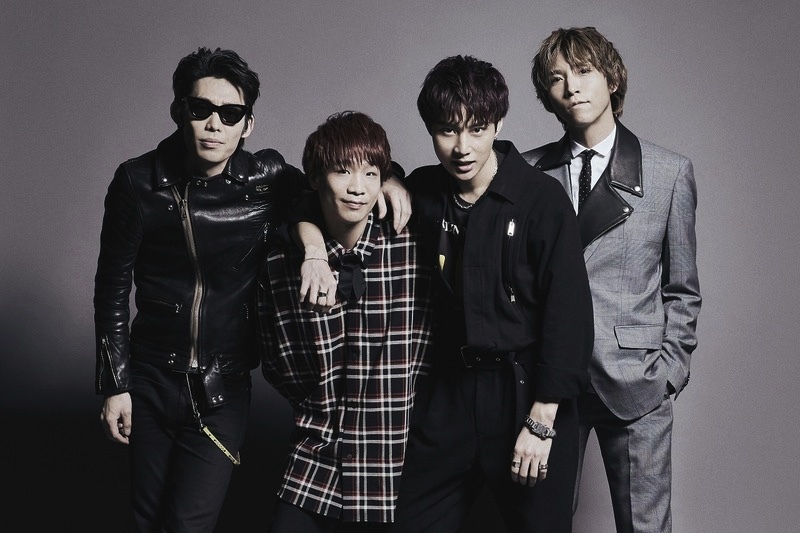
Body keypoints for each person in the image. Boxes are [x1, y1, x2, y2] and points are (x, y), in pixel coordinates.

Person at [94, 48, 409, 532]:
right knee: (146, 518)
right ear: (179, 110)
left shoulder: (267, 178)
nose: (214, 125)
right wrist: (115, 384)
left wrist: (393, 180)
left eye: (230, 113)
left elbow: (334, 185)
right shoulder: (138, 182)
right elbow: (112, 286)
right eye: (201, 109)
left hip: (223, 385)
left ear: (248, 124)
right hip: (150, 377)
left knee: (188, 523)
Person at [390, 55, 594, 532]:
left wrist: (541, 421)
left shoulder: (541, 200)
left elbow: (569, 315)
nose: (462, 147)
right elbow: (326, 193)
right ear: (430, 130)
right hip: (448, 394)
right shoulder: (423, 192)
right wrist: (388, 179)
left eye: (477, 129)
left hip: (526, 395)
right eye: (447, 131)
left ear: (498, 123)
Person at [523, 27, 702, 532]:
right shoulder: (527, 172)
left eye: (584, 71)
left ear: (613, 79)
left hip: (636, 383)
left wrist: (669, 372)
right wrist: (392, 181)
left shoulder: (669, 173)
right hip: (548, 382)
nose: (572, 87)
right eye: (557, 78)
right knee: (540, 524)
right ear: (547, 95)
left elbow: (683, 289)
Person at [256, 111, 434, 532]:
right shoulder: (282, 262)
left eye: (371, 174)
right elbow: (278, 363)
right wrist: (323, 404)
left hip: (400, 462)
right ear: (316, 179)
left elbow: (435, 347)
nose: (358, 188)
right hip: (318, 455)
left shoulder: (415, 247)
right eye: (342, 172)